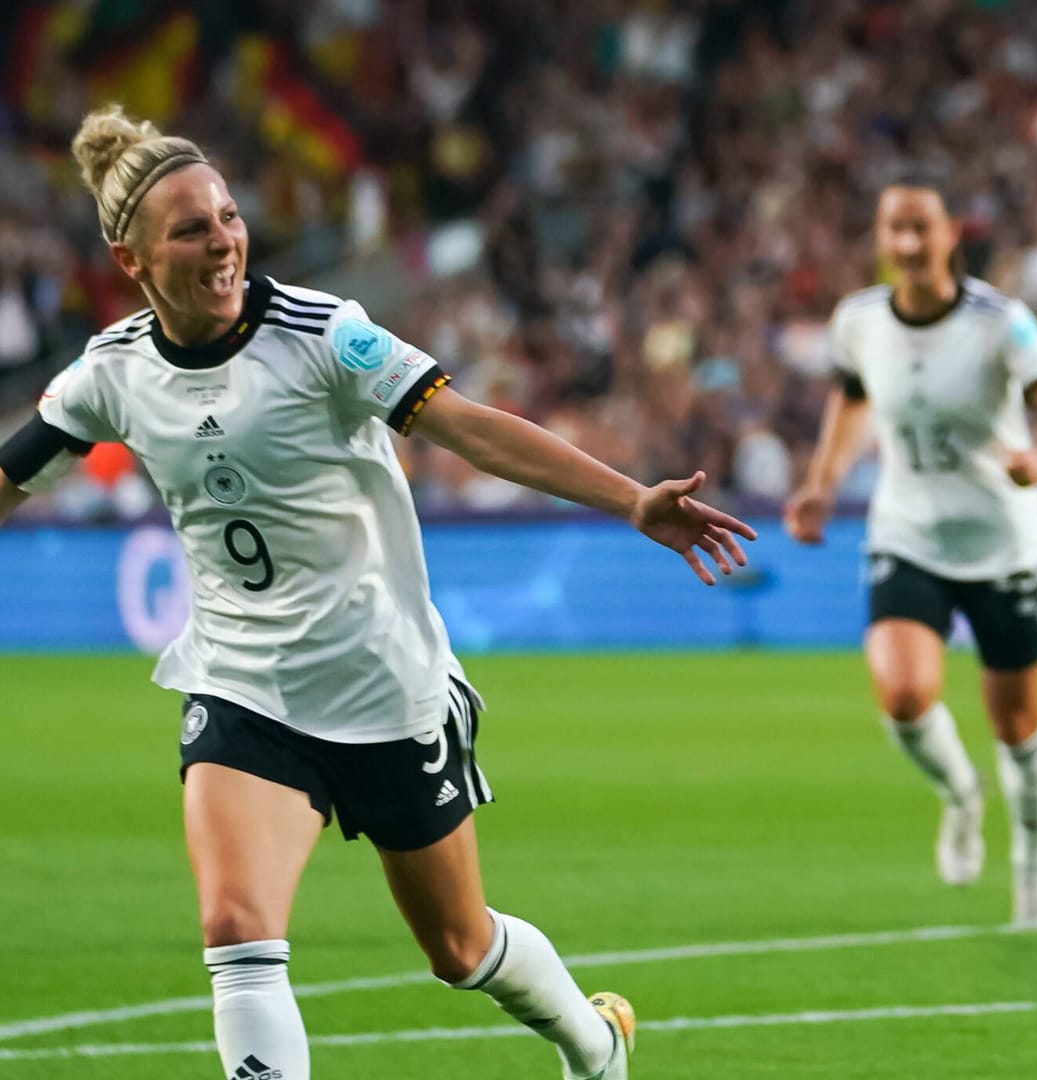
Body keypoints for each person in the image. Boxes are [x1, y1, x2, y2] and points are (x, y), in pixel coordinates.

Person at [0, 106, 758, 1080]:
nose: (224, 241)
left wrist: (629, 500)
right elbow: (14, 475)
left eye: (228, 217)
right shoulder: (113, 373)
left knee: (460, 948)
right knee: (237, 933)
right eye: (191, 229)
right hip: (244, 687)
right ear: (132, 259)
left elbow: (471, 427)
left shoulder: (323, 335)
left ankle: (595, 1044)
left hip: (383, 687)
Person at [785, 178, 1037, 927]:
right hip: (907, 532)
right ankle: (958, 792)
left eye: (922, 228)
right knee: (905, 695)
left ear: (952, 233)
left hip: (1003, 542)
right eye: (896, 229)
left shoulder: (1001, 322)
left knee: (1017, 728)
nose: (909, 244)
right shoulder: (856, 321)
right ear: (881, 238)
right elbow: (853, 401)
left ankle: (1036, 867)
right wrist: (822, 482)